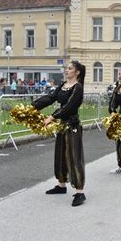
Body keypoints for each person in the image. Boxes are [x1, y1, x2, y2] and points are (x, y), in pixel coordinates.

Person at [31, 61, 86, 207]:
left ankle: (80, 192)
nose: (66, 70)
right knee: (60, 155)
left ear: (77, 72)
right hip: (63, 126)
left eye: (69, 68)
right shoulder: (63, 86)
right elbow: (50, 98)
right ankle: (61, 185)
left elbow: (70, 107)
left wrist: (52, 117)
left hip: (72, 126)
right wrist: (32, 107)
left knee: (74, 158)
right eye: (66, 68)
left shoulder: (78, 88)